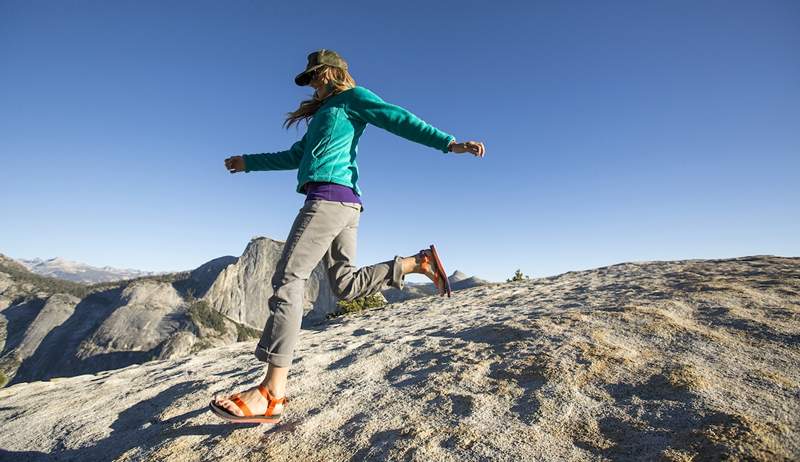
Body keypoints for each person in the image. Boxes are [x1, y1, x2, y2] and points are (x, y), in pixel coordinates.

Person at [209, 49, 486, 424]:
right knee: (345, 285)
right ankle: (416, 263)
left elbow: (397, 118)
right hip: (345, 204)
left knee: (288, 280)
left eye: (315, 76)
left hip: (327, 199)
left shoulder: (353, 99)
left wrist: (449, 143)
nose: (312, 84)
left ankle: (272, 392)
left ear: (332, 73)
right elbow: (295, 156)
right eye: (309, 80)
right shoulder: (323, 115)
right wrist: (249, 163)